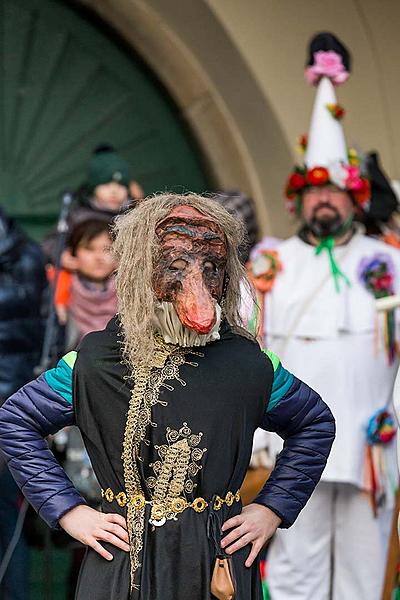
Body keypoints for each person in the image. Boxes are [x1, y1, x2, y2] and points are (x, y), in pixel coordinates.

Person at [0, 193, 335, 600]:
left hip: (216, 562)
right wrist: (69, 510)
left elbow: (313, 423)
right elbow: (17, 420)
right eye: (177, 265)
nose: (197, 282)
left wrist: (272, 508)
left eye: (211, 267)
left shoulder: (249, 364)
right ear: (144, 269)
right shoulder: (94, 361)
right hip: (120, 564)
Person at [247, 33, 400, 600]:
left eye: (335, 190)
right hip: (292, 446)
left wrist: (396, 425)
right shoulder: (271, 261)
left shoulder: (389, 261)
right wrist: (259, 435)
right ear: (297, 200)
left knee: (364, 576)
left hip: (372, 445)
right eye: (314, 192)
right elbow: (251, 350)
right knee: (293, 574)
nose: (325, 201)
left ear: (354, 196)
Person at [0, 206, 47, 599]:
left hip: (10, 405)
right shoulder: (29, 254)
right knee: (8, 519)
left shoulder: (29, 257)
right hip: (15, 403)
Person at [56, 218, 118, 347]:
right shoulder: (58, 288)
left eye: (107, 249)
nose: (98, 257)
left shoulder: (132, 291)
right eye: (89, 249)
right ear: (71, 254)